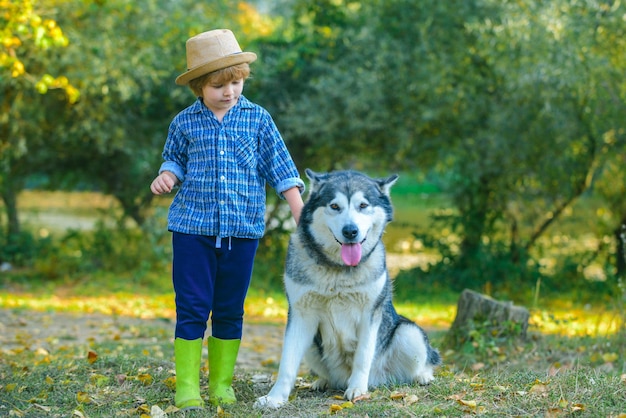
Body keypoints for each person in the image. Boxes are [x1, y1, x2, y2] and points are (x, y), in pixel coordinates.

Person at [150, 29, 305, 410]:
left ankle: (221, 384)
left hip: (242, 230)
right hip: (192, 229)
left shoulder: (258, 119)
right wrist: (168, 174)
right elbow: (174, 158)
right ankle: (187, 386)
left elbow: (281, 169)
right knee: (191, 307)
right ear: (200, 87)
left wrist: (300, 212)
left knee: (230, 308)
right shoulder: (185, 122)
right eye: (219, 85)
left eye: (235, 82)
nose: (229, 91)